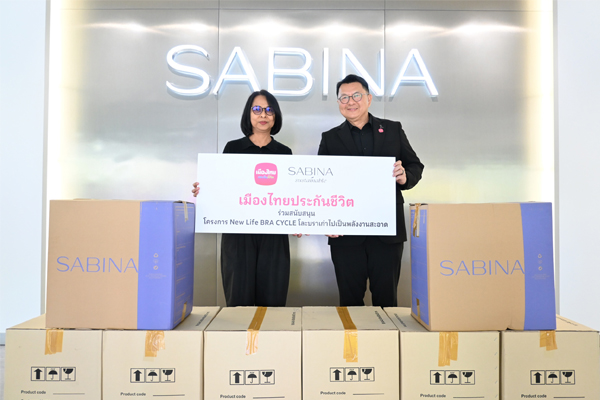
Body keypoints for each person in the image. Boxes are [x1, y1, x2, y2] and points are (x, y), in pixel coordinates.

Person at [318, 74, 424, 307]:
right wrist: (325, 220)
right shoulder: (330, 138)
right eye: (344, 97)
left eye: (356, 95)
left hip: (386, 232)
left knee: (386, 302)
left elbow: (415, 166)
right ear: (338, 103)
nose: (350, 102)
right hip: (345, 234)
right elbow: (322, 184)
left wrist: (405, 176)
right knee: (349, 302)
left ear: (368, 98)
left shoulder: (393, 129)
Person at [192, 90, 292, 307]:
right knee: (239, 301)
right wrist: (205, 190)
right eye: (257, 109)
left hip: (274, 236)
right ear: (248, 114)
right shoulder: (233, 148)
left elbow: (289, 193)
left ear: (276, 116)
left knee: (273, 302)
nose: (263, 115)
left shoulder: (284, 152)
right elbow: (221, 187)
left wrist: (298, 218)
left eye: (269, 110)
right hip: (238, 235)